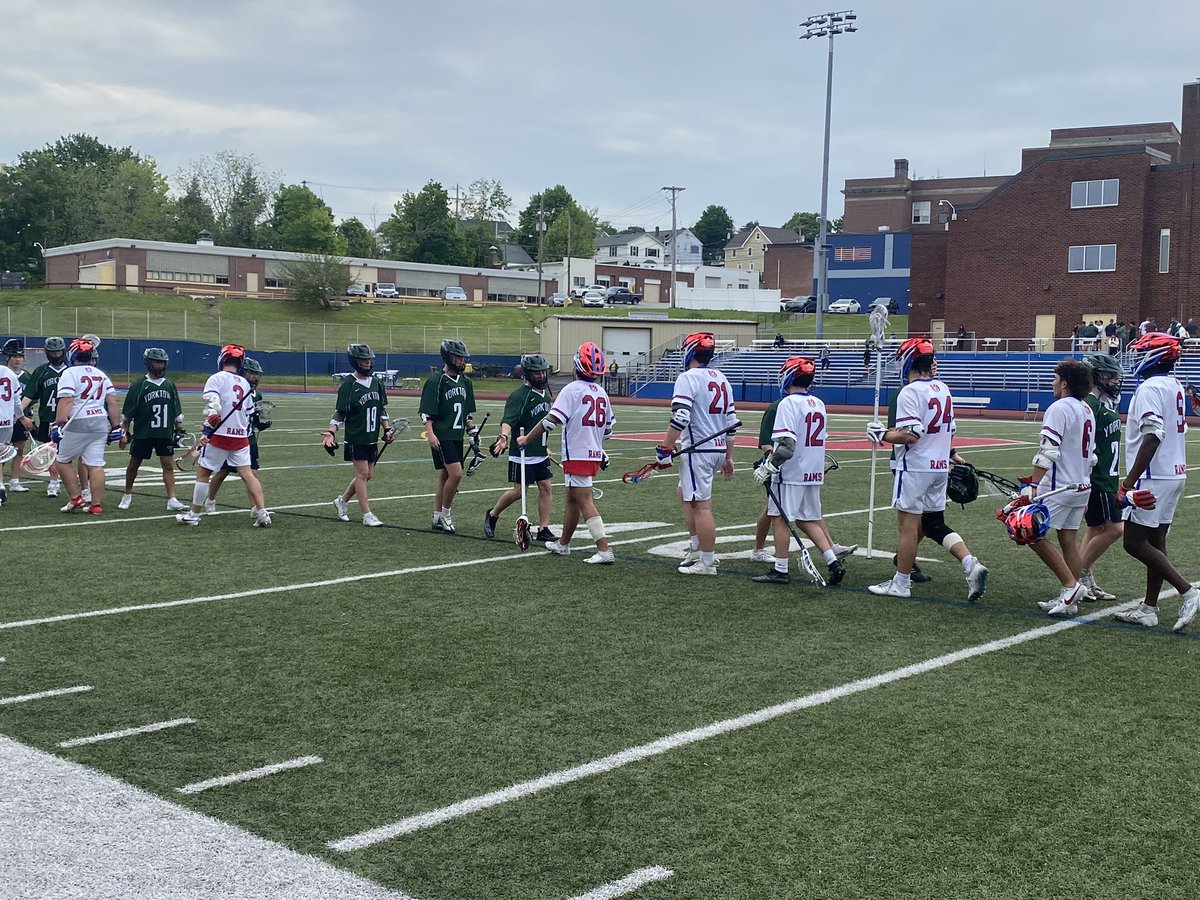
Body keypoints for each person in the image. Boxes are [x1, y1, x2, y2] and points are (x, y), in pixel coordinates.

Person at [866, 337, 988, 601]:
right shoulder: (943, 388)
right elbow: (947, 431)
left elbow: (911, 434)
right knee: (934, 523)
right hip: (939, 466)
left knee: (908, 527)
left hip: (915, 466)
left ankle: (901, 582)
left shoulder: (910, 392)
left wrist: (882, 434)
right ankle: (970, 564)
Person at [1114, 333, 1199, 630]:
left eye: (1142, 353)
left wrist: (1128, 482)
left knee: (1134, 543)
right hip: (1174, 472)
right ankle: (1149, 608)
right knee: (1156, 540)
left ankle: (1187, 591)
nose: (1138, 359)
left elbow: (1153, 435)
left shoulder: (1150, 388)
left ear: (1156, 356)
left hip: (1155, 476)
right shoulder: (1174, 385)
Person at [752, 357, 847, 586]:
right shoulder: (818, 403)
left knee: (780, 518)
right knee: (808, 518)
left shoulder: (788, 403)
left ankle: (781, 569)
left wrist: (768, 467)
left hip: (792, 471)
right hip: (813, 470)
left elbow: (787, 446)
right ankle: (833, 560)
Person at [518, 341, 614, 564]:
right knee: (572, 499)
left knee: (584, 500)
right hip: (591, 453)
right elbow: (607, 430)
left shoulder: (571, 390)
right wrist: (599, 449)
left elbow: (551, 421)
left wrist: (527, 438)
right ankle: (563, 544)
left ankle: (604, 549)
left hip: (577, 453)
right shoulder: (602, 393)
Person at [1015, 360, 1096, 616]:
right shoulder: (1086, 409)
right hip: (1081, 483)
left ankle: (1070, 586)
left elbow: (1048, 449)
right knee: (1068, 539)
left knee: (1028, 533)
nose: (1052, 383)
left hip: (1060, 486)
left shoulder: (1060, 408)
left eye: (1055, 378)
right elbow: (1092, 455)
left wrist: (1033, 484)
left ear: (1064, 382)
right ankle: (1071, 594)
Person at [657, 333, 736, 576]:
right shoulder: (721, 378)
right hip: (716, 448)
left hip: (699, 449)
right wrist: (729, 456)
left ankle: (708, 560)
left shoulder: (687, 378)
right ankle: (696, 546)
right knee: (684, 493)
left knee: (702, 506)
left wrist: (665, 447)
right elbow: (731, 423)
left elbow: (681, 416)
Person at [176, 344, 271, 527]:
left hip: (219, 435)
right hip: (241, 437)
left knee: (204, 474)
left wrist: (206, 430)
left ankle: (194, 514)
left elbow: (213, 408)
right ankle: (262, 513)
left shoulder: (216, 378)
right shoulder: (244, 383)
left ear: (223, 359)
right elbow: (248, 412)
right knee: (248, 475)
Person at [484, 353, 556, 543]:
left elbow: (542, 424)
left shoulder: (546, 394)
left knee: (546, 488)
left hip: (540, 453)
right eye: (537, 373)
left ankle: (544, 528)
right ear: (527, 374)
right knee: (519, 492)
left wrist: (544, 446)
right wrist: (504, 437)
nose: (541, 376)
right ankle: (492, 514)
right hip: (522, 454)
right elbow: (508, 420)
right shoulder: (519, 396)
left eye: (543, 372)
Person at [323, 345, 394, 527]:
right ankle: (367, 514)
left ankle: (342, 501)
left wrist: (387, 429)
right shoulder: (348, 385)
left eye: (369, 360)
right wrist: (331, 432)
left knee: (369, 474)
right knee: (362, 473)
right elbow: (340, 413)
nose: (367, 363)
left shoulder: (376, 383)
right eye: (364, 360)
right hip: (356, 437)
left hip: (371, 437)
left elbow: (381, 409)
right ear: (355, 361)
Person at [1075, 353, 1125, 602]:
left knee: (1096, 528)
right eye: (1109, 376)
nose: (1114, 381)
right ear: (1095, 376)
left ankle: (1084, 580)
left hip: (1108, 476)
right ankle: (1076, 575)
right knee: (1116, 529)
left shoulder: (1103, 403)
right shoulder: (1090, 404)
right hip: (1098, 477)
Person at [53, 338, 121, 515]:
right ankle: (96, 505)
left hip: (78, 420)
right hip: (100, 421)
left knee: (61, 460)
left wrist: (58, 423)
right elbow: (112, 402)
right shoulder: (101, 374)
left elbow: (67, 399)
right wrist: (116, 426)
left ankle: (76, 497)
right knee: (95, 464)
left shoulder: (69, 373)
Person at [116, 347, 188, 511]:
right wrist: (124, 433)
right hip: (144, 433)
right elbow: (128, 413)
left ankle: (172, 499)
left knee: (168, 465)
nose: (160, 365)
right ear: (148, 363)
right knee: (134, 464)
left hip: (164, 433)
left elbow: (176, 410)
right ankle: (127, 494)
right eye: (157, 362)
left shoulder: (169, 384)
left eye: (162, 362)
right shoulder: (140, 385)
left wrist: (179, 431)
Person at [420, 339, 476, 535]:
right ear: (448, 358)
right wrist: (431, 434)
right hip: (442, 435)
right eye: (457, 357)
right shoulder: (437, 381)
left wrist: (472, 431)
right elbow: (426, 412)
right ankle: (446, 514)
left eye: (462, 358)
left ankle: (437, 516)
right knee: (456, 474)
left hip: (456, 435)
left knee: (445, 475)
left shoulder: (466, 382)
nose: (461, 361)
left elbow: (467, 412)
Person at [205, 357, 272, 513]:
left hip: (247, 437)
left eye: (256, 373)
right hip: (230, 436)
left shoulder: (256, 394)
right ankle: (210, 500)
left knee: (252, 474)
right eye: (251, 373)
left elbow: (252, 417)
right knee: (222, 473)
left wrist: (261, 423)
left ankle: (255, 507)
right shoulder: (231, 388)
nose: (254, 376)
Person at [20, 336, 68, 497]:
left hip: (70, 419)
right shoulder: (42, 371)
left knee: (73, 452)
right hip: (49, 418)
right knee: (51, 453)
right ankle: (54, 482)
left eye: (58, 352)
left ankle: (83, 486)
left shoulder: (71, 370)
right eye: (52, 352)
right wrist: (18, 411)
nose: (56, 355)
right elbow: (29, 394)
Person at [2, 339, 30, 494]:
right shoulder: (6, 373)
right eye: (14, 356)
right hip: (7, 417)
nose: (18, 359)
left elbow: (31, 396)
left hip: (19, 418)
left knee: (18, 450)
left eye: (20, 356)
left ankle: (14, 481)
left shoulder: (27, 376)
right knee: (2, 452)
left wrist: (24, 416)